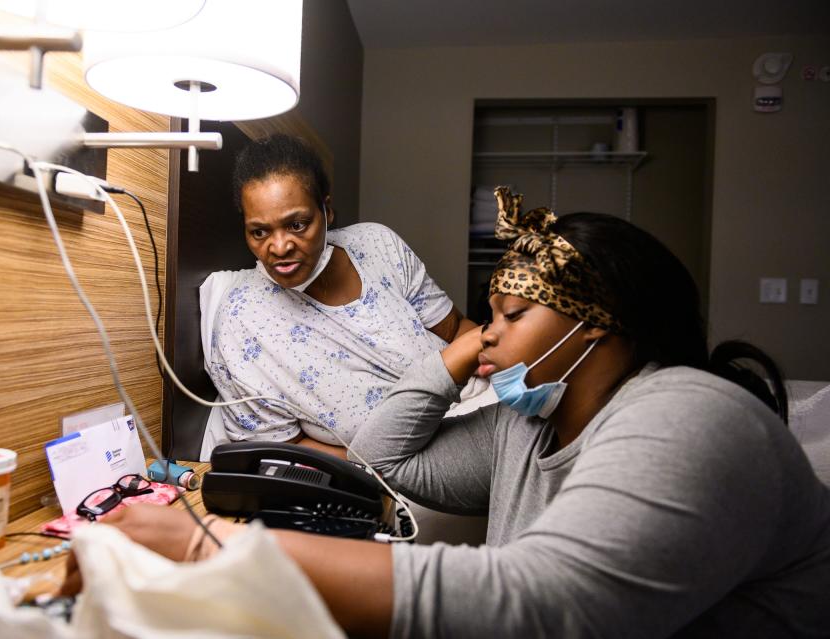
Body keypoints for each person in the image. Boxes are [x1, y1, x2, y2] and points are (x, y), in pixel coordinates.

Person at [65, 190, 830, 637]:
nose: (488, 328)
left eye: (515, 312)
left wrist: (210, 547)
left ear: (593, 320)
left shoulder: (690, 414)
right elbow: (384, 454)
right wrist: (468, 351)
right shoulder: (529, 424)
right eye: (487, 311)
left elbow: (542, 600)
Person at [203, 134, 476, 456]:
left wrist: (510, 373)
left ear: (327, 211)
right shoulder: (243, 321)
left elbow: (457, 330)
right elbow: (285, 448)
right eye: (259, 231)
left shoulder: (377, 245)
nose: (279, 247)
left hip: (476, 404)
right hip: (394, 467)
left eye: (298, 225)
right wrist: (377, 470)